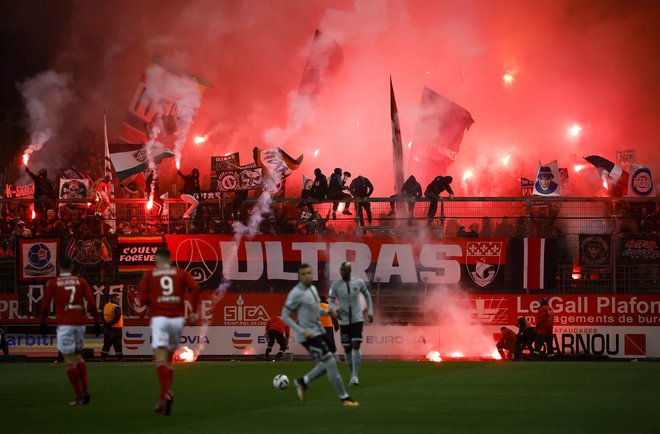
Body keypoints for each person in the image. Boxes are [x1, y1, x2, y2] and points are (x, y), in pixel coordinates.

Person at [281, 263, 358, 406]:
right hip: (308, 334)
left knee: (333, 361)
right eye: (303, 274)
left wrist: (329, 312)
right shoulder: (295, 294)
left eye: (309, 273)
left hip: (319, 331)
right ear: (299, 276)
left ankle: (303, 381)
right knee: (330, 362)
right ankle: (344, 397)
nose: (307, 276)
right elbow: (284, 316)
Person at [138, 247, 200, 416]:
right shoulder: (180, 273)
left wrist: (156, 299)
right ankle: (162, 398)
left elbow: (142, 299)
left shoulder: (150, 275)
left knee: (160, 357)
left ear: (157, 260)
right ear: (170, 260)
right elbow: (195, 288)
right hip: (177, 319)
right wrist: (194, 312)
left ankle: (165, 394)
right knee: (169, 359)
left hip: (160, 318)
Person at [39, 255, 101, 405]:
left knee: (68, 359)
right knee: (78, 356)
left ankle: (79, 395)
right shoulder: (81, 281)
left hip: (65, 324)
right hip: (80, 323)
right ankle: (85, 391)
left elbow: (45, 306)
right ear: (72, 267)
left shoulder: (53, 283)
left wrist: (43, 323)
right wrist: (97, 321)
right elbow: (92, 303)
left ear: (59, 267)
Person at [329, 262, 373, 386]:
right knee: (347, 349)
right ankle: (351, 375)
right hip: (344, 321)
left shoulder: (358, 282)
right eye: (341, 270)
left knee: (356, 344)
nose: (343, 272)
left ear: (349, 270)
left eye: (345, 270)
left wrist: (369, 312)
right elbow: (330, 301)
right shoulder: (336, 285)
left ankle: (355, 376)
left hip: (357, 318)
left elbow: (367, 296)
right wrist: (335, 310)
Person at [100, 293, 123, 362]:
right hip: (116, 329)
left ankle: (103, 357)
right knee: (117, 344)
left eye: (119, 299)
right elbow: (117, 318)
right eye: (117, 299)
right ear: (113, 299)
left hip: (107, 329)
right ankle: (119, 358)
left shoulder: (105, 306)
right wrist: (110, 324)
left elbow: (101, 316)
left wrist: (106, 324)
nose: (119, 300)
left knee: (107, 343)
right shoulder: (116, 307)